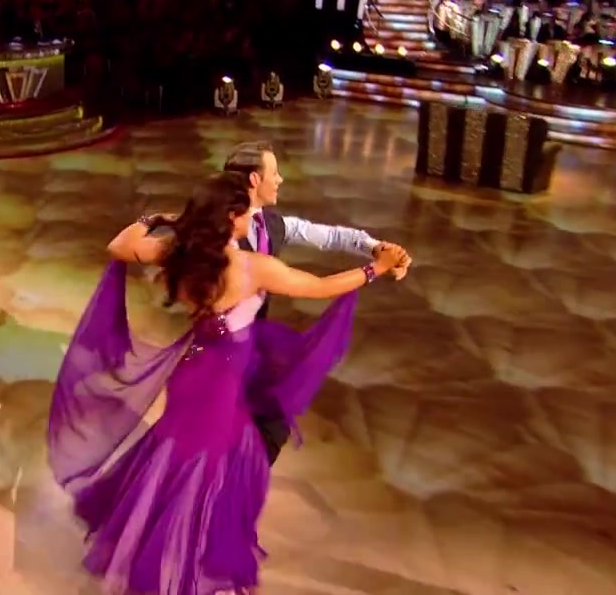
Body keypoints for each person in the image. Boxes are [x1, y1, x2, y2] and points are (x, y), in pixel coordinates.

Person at [48, 172, 408, 595]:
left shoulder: (179, 253)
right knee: (204, 469)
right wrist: (375, 268)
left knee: (180, 455)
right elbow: (320, 287)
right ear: (232, 217)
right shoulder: (251, 268)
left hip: (192, 372)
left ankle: (160, 543)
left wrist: (157, 218)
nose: (252, 217)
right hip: (219, 384)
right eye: (246, 212)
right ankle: (180, 565)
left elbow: (119, 245)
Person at [221, 140, 410, 464]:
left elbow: (330, 236)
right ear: (254, 179)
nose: (280, 179)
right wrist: (375, 269)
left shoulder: (272, 226)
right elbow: (319, 287)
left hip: (250, 350)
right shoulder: (218, 233)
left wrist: (375, 247)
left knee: (266, 427)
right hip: (221, 359)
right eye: (274, 173)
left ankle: (236, 480)